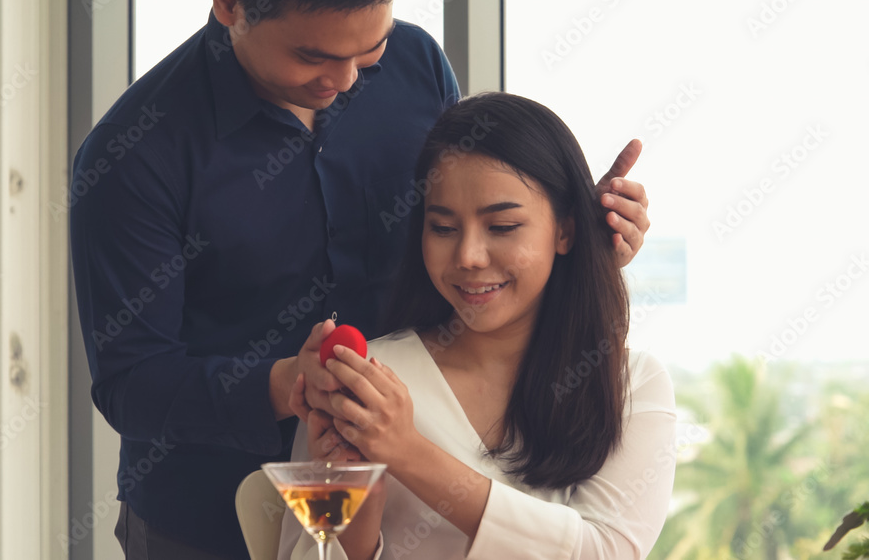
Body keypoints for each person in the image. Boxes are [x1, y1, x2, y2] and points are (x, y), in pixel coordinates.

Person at [69, 0, 651, 557]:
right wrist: (286, 383)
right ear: (231, 6)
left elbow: (463, 223)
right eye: (312, 56)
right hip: (205, 517)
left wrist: (564, 246)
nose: (346, 80)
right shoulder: (133, 155)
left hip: (413, 500)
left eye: (369, 49)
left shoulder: (414, 66)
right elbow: (131, 381)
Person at [281, 93, 676, 560]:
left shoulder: (631, 384)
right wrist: (359, 500)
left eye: (503, 227)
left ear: (566, 231)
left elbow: (603, 551)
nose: (468, 256)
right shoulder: (365, 381)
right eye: (444, 228)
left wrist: (408, 452)